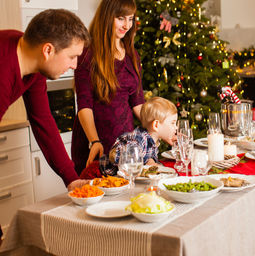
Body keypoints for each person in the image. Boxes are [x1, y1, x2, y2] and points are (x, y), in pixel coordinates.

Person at [0, 9, 90, 190]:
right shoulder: (3, 70)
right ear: (48, 50)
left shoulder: (33, 61)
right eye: (72, 57)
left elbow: (43, 121)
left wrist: (72, 179)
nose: (74, 65)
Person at [72, 0, 144, 176]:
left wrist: (160, 126)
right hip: (95, 141)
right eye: (120, 18)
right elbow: (84, 106)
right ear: (107, 16)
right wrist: (94, 141)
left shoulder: (132, 55)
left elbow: (137, 103)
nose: (127, 25)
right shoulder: (87, 54)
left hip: (126, 145)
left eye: (130, 19)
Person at [100, 97, 177, 175]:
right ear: (156, 125)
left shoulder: (153, 139)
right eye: (173, 123)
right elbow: (118, 158)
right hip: (111, 173)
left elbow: (149, 155)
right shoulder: (138, 140)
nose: (176, 127)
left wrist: (150, 161)